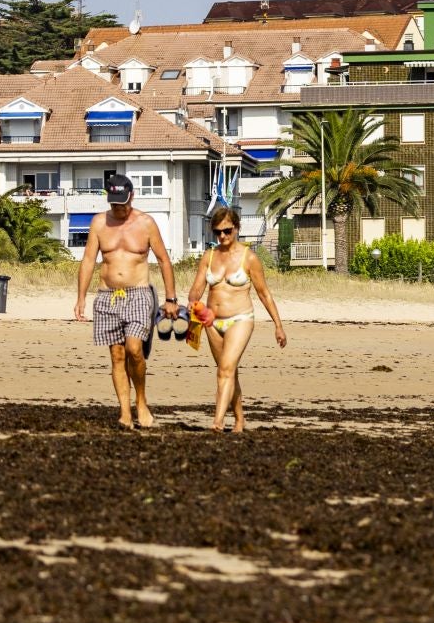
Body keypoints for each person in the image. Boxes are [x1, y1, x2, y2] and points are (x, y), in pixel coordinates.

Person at [74, 174, 178, 428]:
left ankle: (141, 401)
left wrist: (171, 299)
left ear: (131, 197)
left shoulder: (146, 223)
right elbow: (88, 261)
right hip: (108, 296)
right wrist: (80, 298)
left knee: (134, 349)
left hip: (139, 293)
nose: (118, 208)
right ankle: (125, 412)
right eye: (114, 204)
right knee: (117, 355)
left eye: (122, 203)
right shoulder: (99, 223)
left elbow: (164, 260)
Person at [187, 206, 287, 432]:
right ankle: (240, 419)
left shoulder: (249, 258)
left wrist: (278, 326)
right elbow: (196, 290)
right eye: (217, 232)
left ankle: (217, 421)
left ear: (237, 228)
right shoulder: (209, 256)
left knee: (224, 370)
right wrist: (193, 311)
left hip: (240, 319)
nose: (222, 236)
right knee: (228, 371)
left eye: (227, 231)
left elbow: (264, 294)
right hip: (211, 322)